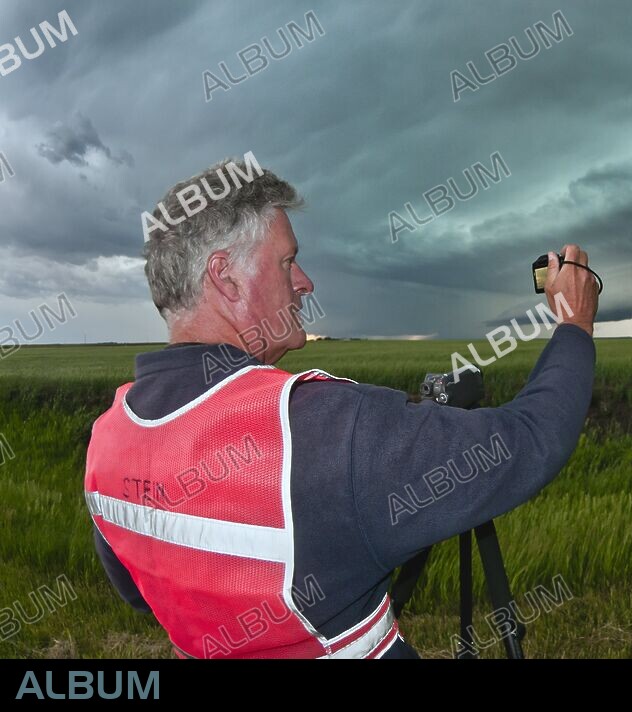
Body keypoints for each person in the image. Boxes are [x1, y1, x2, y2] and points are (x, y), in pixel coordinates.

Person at [83, 157, 598, 659]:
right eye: (288, 261)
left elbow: (140, 594)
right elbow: (531, 439)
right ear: (226, 278)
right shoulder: (320, 429)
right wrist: (573, 323)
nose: (305, 282)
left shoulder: (109, 439)